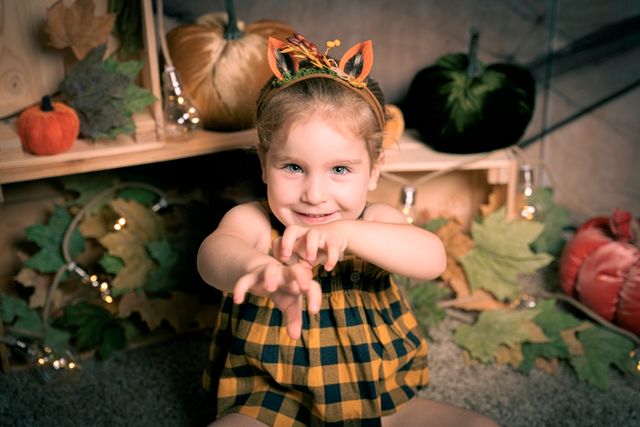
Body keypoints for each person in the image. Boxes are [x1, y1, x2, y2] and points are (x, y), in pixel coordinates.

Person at [197, 33, 499, 427]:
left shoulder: (375, 222)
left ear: (373, 171)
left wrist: (348, 233)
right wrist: (257, 268)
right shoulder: (254, 222)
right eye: (292, 167)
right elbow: (212, 255)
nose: (315, 195)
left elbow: (432, 258)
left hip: (379, 400)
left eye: (339, 170)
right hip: (270, 402)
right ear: (263, 164)